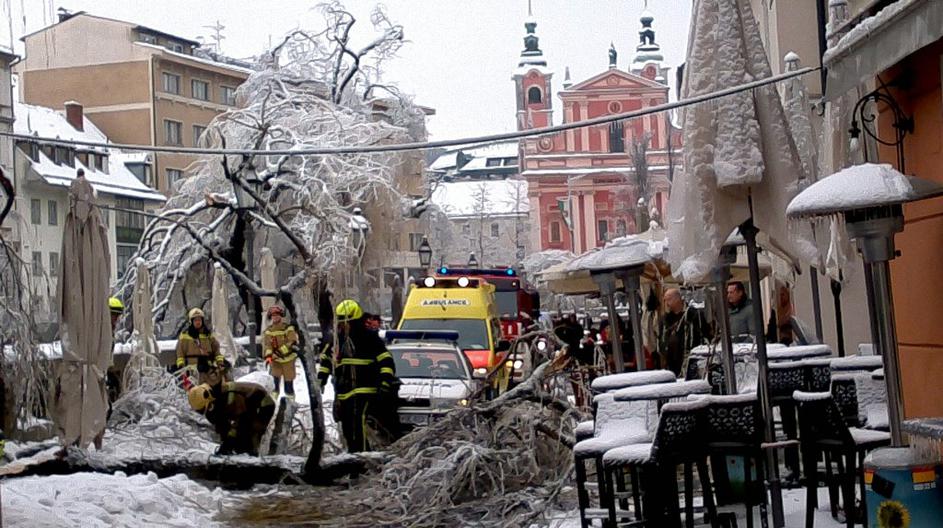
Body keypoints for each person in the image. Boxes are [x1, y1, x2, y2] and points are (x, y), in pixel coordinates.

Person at [317, 299, 399, 452]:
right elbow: (326, 362)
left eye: (345, 321)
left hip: (364, 390)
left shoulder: (369, 338)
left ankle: (361, 460)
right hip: (343, 392)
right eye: (340, 322)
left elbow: (386, 361)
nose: (342, 325)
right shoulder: (336, 340)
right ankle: (356, 457)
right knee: (348, 428)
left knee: (357, 424)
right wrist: (321, 380)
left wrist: (385, 382)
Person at [187, 380, 275, 456]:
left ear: (208, 397)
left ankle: (253, 455)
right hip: (246, 407)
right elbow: (222, 425)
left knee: (249, 432)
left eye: (203, 409)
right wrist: (225, 441)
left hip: (262, 404)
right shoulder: (213, 403)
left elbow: (242, 418)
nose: (204, 412)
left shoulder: (228, 396)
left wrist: (230, 440)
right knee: (237, 438)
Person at [658, 288, 710, 377]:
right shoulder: (666, 319)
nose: (667, 303)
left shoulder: (693, 315)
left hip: (688, 359)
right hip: (671, 362)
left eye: (669, 299)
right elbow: (661, 337)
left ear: (678, 298)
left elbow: (704, 334)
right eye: (665, 300)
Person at [175, 308, 225, 388]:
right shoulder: (185, 336)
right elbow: (180, 352)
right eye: (195, 320)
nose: (198, 322)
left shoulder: (208, 335)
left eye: (199, 320)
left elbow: (216, 351)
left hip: (207, 369)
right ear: (191, 322)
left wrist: (220, 363)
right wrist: (182, 367)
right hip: (192, 371)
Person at [262, 305, 299, 400]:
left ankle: (291, 403)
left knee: (288, 386)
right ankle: (273, 404)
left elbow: (292, 342)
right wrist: (268, 356)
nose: (275, 317)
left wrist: (278, 353)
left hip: (288, 360)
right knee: (275, 386)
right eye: (273, 315)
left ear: (281, 316)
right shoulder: (268, 331)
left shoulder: (288, 328)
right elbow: (267, 345)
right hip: (275, 362)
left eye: (277, 315)